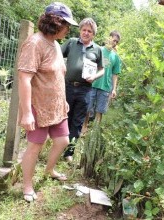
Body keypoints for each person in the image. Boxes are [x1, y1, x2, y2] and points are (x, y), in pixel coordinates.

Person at [18, 2, 78, 202]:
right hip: (38, 106)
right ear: (55, 22)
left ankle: (49, 170)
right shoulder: (35, 43)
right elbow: (24, 79)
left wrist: (63, 101)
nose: (68, 29)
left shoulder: (56, 45)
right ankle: (27, 186)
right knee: (36, 146)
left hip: (57, 106)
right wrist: (27, 112)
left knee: (63, 141)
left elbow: (57, 77)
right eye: (66, 24)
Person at [61, 18, 104, 162]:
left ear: (93, 34)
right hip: (67, 86)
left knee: (77, 121)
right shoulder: (72, 42)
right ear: (80, 30)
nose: (86, 33)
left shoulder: (97, 49)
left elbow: (102, 70)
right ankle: (60, 146)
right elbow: (58, 56)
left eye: (89, 31)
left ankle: (69, 153)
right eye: (84, 30)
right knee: (64, 117)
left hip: (85, 90)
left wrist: (95, 76)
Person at [81, 31, 121, 133]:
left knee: (100, 110)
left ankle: (95, 131)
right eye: (113, 39)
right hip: (93, 83)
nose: (115, 42)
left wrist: (114, 89)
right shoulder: (98, 50)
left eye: (117, 41)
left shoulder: (116, 57)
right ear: (109, 38)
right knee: (87, 107)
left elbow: (115, 74)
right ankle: (84, 128)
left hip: (106, 87)